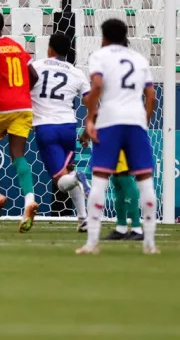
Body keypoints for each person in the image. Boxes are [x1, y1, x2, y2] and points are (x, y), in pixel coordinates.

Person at [77, 19, 158, 255]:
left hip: (110, 120)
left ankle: (92, 243)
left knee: (101, 179)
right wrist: (145, 121)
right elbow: (151, 95)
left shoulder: (100, 56)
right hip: (135, 120)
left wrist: (90, 118)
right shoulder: (140, 59)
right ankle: (150, 244)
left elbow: (98, 85)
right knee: (145, 181)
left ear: (103, 37)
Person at [0, 11, 39, 232]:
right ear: (3, 26)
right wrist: (20, 94)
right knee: (18, 156)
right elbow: (34, 76)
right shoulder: (16, 46)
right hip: (24, 107)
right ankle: (29, 200)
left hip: (1, 107)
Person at [28, 33, 90, 233]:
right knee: (68, 171)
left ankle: (78, 177)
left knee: (61, 181)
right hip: (68, 128)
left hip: (46, 128)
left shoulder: (36, 66)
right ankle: (83, 218)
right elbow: (91, 104)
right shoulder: (77, 73)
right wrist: (87, 131)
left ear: (49, 48)